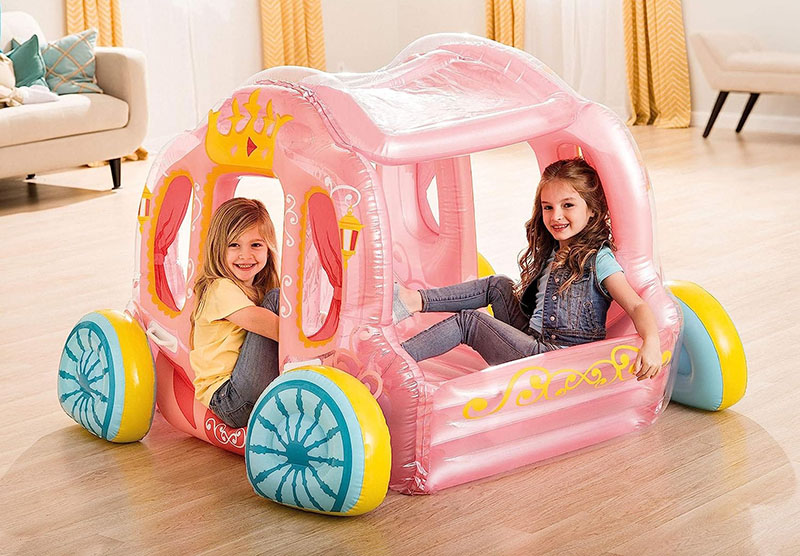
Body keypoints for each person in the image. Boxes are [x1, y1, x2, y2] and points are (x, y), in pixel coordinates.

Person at [394, 158, 663, 381]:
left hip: (554, 359)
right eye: (548, 207)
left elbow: (637, 306)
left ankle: (394, 363)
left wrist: (651, 341)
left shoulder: (598, 259)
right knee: (499, 285)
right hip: (534, 340)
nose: (556, 216)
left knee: (470, 322)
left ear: (592, 210)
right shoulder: (556, 250)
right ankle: (413, 300)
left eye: (568, 205)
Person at [190, 197, 281, 428]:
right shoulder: (219, 288)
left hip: (243, 391)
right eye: (234, 245)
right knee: (277, 298)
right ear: (217, 247)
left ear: (268, 249)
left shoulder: (258, 289)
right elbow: (275, 328)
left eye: (256, 245)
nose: (245, 255)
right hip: (230, 398)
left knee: (278, 297)